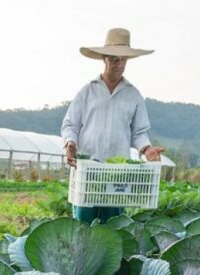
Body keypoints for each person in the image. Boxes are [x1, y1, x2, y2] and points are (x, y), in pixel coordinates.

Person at [61, 27, 165, 223]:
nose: (118, 64)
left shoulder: (133, 94)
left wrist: (147, 149)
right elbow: (70, 125)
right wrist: (70, 144)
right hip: (88, 170)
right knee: (83, 224)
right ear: (104, 59)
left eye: (123, 60)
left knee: (113, 225)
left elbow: (139, 132)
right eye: (113, 59)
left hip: (117, 173)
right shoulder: (87, 91)